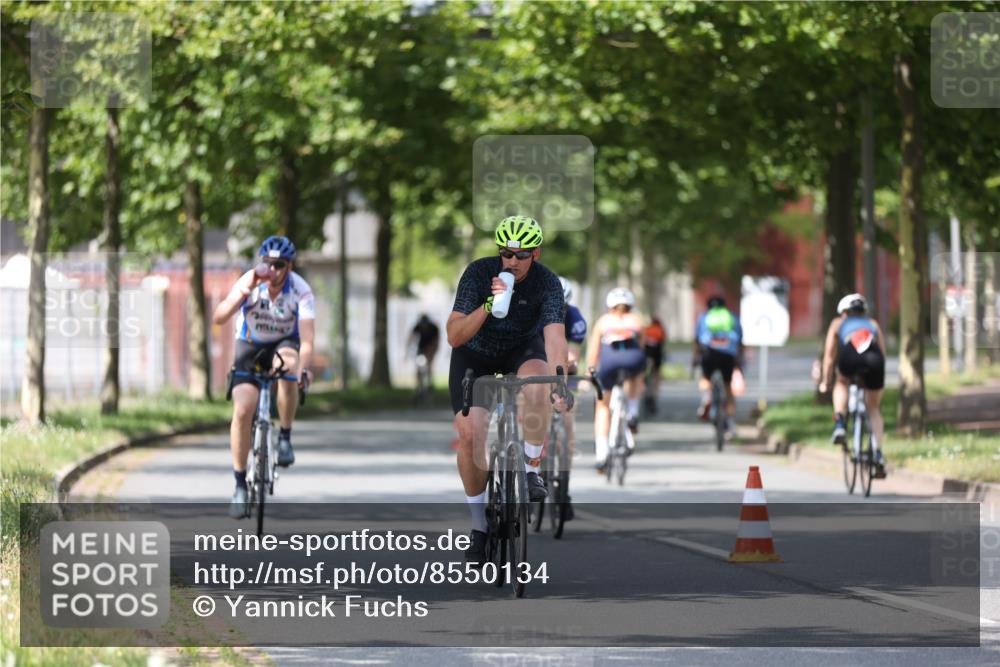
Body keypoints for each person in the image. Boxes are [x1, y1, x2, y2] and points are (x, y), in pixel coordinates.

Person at [447, 215, 569, 563]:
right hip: (475, 354)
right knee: (472, 435)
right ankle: (479, 527)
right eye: (506, 253)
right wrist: (488, 304)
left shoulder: (547, 284)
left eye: (522, 255)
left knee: (538, 383)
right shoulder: (477, 274)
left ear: (537, 254)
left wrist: (560, 382)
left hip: (521, 349)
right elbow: (454, 335)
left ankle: (530, 471)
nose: (512, 261)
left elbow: (554, 336)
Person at [212, 235, 315, 518]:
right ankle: (239, 485)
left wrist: (304, 367)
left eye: (279, 265)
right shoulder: (251, 281)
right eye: (267, 263)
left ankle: (284, 436)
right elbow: (219, 318)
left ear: (290, 266)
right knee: (243, 410)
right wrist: (244, 291)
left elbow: (306, 339)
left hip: (284, 342)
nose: (272, 270)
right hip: (250, 344)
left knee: (289, 365)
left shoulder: (301, 290)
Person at [818, 293, 888, 477]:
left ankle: (840, 422)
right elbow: (883, 353)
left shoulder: (838, 324)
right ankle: (878, 454)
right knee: (873, 408)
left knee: (841, 381)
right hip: (874, 359)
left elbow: (829, 357)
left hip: (850, 356)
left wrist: (826, 381)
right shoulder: (873, 324)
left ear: (844, 313)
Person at [586, 287, 647, 470]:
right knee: (636, 372)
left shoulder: (603, 321)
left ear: (609, 306)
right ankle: (633, 411)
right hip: (633, 360)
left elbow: (594, 351)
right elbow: (642, 347)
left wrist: (589, 373)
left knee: (603, 406)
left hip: (609, 363)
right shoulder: (637, 320)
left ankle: (602, 453)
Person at [692, 296, 743, 429]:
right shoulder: (732, 317)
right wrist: (738, 360)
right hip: (728, 355)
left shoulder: (704, 317)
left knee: (705, 378)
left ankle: (706, 399)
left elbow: (697, 340)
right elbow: (739, 340)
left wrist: (695, 359)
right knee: (728, 387)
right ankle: (731, 422)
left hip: (709, 353)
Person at [408, 314, 440, 389]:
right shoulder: (418, 326)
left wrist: (432, 351)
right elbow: (411, 337)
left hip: (431, 348)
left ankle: (429, 383)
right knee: (418, 366)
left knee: (429, 365)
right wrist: (409, 348)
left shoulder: (434, 328)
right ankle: (419, 385)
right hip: (421, 348)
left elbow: (437, 341)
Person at [643, 317, 667, 414]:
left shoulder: (647, 330)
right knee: (656, 376)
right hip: (657, 355)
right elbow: (663, 343)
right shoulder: (660, 330)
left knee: (643, 374)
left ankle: (644, 387)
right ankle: (654, 394)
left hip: (646, 354)